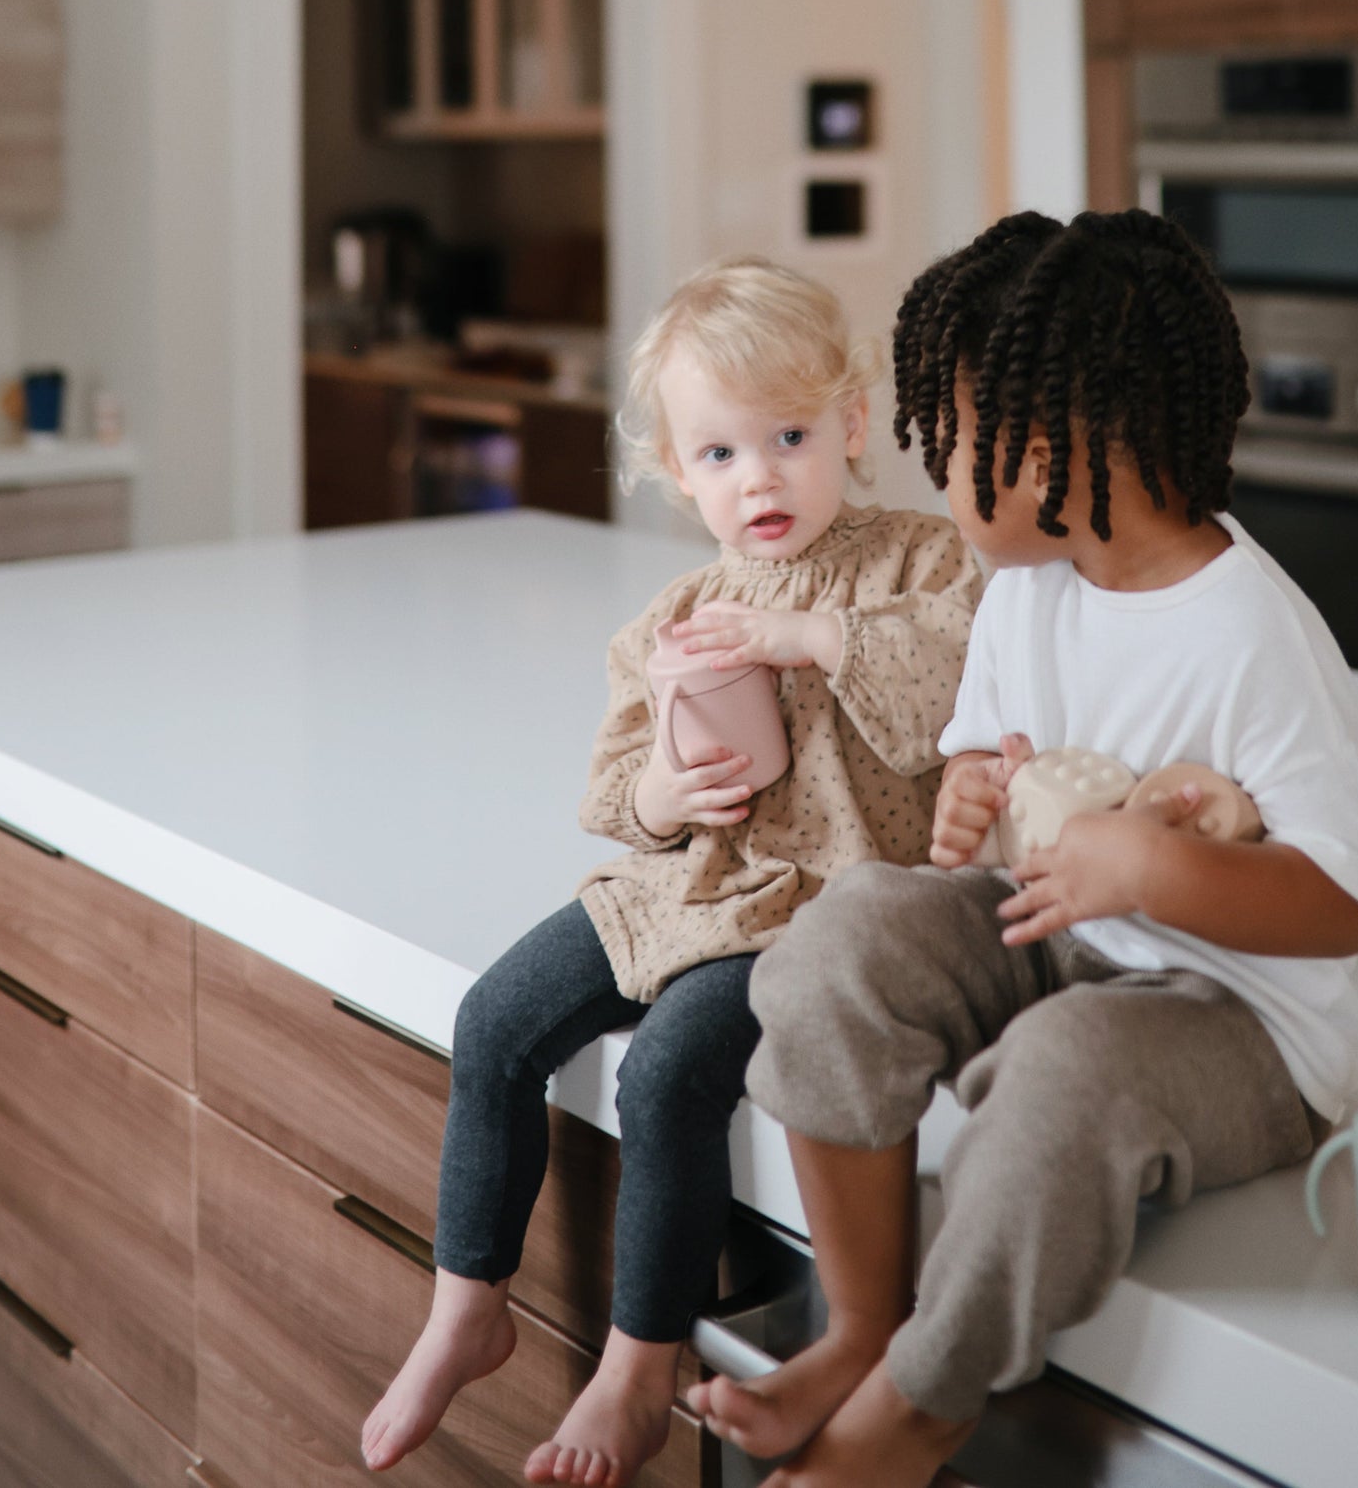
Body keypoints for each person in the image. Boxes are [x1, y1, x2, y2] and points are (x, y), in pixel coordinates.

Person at [690, 210, 1358, 1488]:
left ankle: (923, 1398)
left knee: (1058, 1075)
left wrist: (1157, 869)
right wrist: (970, 797)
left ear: (1075, 440)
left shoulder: (1247, 630)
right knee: (838, 941)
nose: (935, 469)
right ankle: (858, 1325)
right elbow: (986, 754)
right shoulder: (1028, 585)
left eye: (955, 442)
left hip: (1240, 1023)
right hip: (1058, 937)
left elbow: (1345, 903)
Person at [361, 257, 981, 1486]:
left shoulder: (920, 563)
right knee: (493, 1017)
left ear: (852, 426)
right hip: (685, 890)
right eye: (718, 454)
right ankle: (462, 1302)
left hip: (816, 916)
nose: (757, 476)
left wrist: (807, 635)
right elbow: (609, 795)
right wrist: (661, 794)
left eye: (788, 436)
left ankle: (636, 1365)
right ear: (675, 472)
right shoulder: (671, 616)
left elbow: (946, 690)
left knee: (668, 1075)